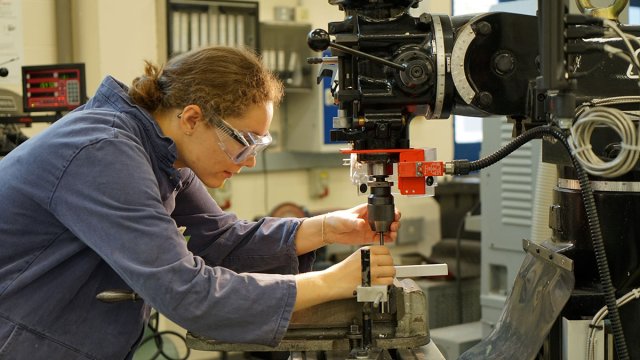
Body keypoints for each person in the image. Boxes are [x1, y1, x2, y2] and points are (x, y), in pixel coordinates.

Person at [0, 46, 400, 359]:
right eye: (244, 142)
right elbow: (186, 291)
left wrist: (326, 228)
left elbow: (221, 239)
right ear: (192, 118)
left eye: (259, 145)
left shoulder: (161, 150)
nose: (250, 160)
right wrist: (331, 282)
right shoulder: (103, 152)